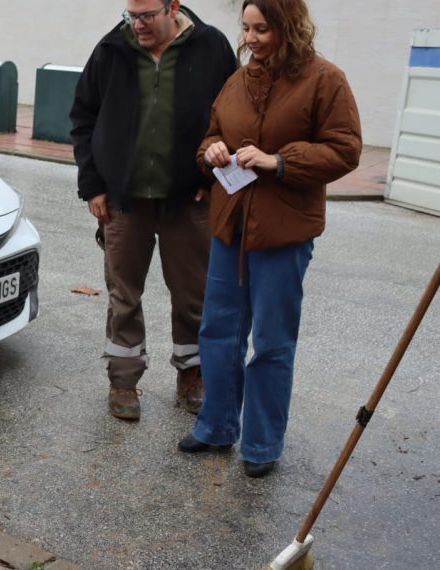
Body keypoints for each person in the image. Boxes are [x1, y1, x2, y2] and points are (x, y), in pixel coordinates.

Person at [178, 0, 362, 478]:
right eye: (247, 28)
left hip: (283, 233)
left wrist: (278, 162)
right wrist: (211, 151)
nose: (252, 38)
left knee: (273, 343)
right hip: (230, 227)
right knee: (217, 332)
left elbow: (345, 149)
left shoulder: (326, 79)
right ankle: (216, 426)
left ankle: (261, 444)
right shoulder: (238, 80)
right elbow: (211, 136)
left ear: (289, 26)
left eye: (263, 29)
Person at [70, 0, 239, 420]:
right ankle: (123, 383)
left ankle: (191, 376)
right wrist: (93, 184)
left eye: (147, 15)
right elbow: (82, 118)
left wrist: (209, 179)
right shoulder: (112, 49)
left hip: (189, 199)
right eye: (132, 16)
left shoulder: (212, 47)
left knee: (193, 296)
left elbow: (235, 118)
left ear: (173, 7)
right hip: (124, 200)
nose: (138, 25)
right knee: (123, 295)